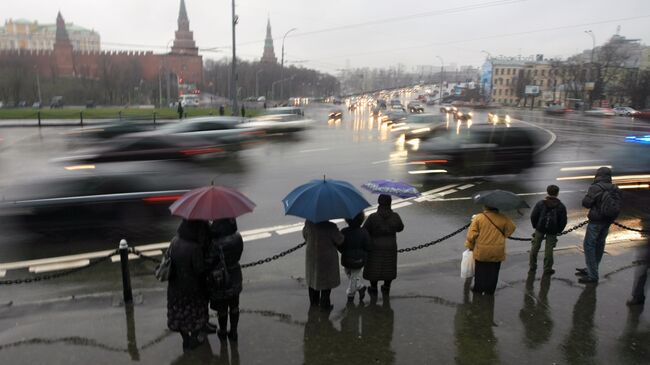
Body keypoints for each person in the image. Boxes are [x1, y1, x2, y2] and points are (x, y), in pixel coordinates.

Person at [167, 219, 211, 352]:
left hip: (175, 287)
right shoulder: (194, 248)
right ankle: (195, 339)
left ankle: (185, 340)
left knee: (179, 315)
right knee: (194, 314)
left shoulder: (174, 242)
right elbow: (200, 270)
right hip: (192, 289)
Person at [579, 166, 621, 284]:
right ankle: (592, 269)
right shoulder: (615, 188)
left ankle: (592, 275)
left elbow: (586, 203)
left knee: (589, 246)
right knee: (599, 245)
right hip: (607, 221)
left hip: (596, 222)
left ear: (598, 175)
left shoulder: (595, 187)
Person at [206, 218, 244, 342]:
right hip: (235, 274)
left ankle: (222, 331)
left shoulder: (214, 242)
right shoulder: (237, 237)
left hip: (220, 278)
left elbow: (210, 261)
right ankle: (234, 332)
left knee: (222, 308)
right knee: (234, 306)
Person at [464, 206, 516, 295]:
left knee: (480, 271)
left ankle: (478, 289)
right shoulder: (503, 218)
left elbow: (471, 235)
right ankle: (490, 290)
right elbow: (512, 228)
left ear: (486, 207)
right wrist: (503, 235)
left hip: (482, 250)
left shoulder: (479, 217)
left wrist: (470, 246)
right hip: (497, 250)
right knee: (494, 271)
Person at [363, 194, 404, 295]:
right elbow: (400, 228)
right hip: (390, 246)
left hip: (375, 246)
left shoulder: (373, 217)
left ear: (379, 202)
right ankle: (386, 287)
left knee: (374, 266)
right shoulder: (395, 216)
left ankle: (373, 288)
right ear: (390, 203)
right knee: (388, 266)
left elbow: (365, 230)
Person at [303, 219, 344, 310]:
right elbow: (340, 240)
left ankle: (314, 303)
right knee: (326, 283)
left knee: (313, 280)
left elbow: (305, 236)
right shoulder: (331, 226)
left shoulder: (309, 223)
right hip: (327, 259)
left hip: (312, 256)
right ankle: (325, 305)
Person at [529, 184, 568, 275]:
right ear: (557, 193)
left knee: (535, 246)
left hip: (540, 228)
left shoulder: (540, 203)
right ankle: (547, 268)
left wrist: (536, 226)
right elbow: (563, 221)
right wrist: (559, 230)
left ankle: (532, 265)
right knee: (549, 249)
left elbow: (533, 216)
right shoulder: (561, 206)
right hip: (553, 230)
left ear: (547, 192)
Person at [339, 212, 371, 303]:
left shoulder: (344, 231)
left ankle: (351, 295)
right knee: (354, 276)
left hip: (347, 258)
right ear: (361, 219)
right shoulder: (364, 232)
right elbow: (368, 246)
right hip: (360, 259)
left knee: (351, 275)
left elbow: (340, 245)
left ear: (347, 220)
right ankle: (360, 287)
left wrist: (344, 252)